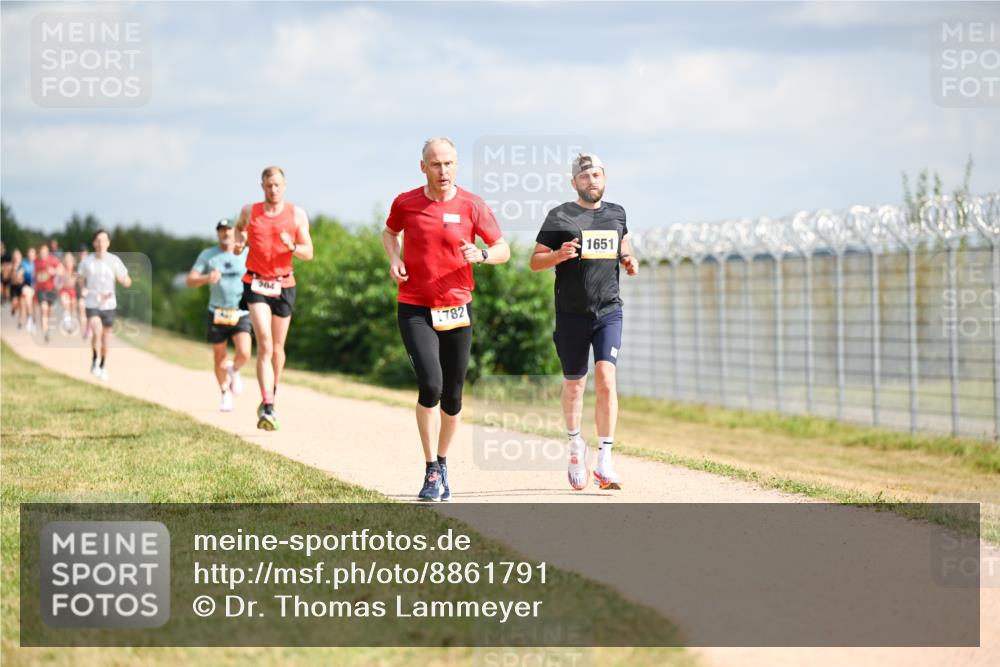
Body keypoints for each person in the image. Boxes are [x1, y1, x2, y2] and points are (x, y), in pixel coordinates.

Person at [382, 137, 510, 502]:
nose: (443, 170)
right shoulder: (406, 203)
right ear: (423, 166)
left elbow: (503, 249)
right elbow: (389, 233)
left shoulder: (472, 205)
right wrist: (394, 259)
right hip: (415, 306)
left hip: (456, 308)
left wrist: (481, 254)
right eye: (436, 164)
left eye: (449, 163)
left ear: (457, 165)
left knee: (453, 395)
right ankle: (430, 469)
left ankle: (443, 460)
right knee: (432, 386)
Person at [529, 153, 638, 491]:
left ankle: (606, 459)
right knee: (575, 384)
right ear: (574, 182)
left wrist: (630, 260)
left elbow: (624, 246)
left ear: (604, 178)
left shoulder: (617, 213)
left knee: (606, 378)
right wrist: (557, 256)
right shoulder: (560, 215)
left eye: (597, 175)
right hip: (572, 314)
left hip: (608, 310)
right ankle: (576, 445)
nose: (592, 181)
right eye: (586, 176)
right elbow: (534, 261)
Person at [234, 166, 313, 430]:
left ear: (285, 185)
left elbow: (308, 252)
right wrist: (239, 241)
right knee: (265, 344)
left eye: (277, 185)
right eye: (269, 185)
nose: (273, 190)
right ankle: (267, 405)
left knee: (278, 349)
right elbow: (239, 229)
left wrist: (293, 246)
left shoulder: (297, 214)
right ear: (262, 186)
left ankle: (272, 393)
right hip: (255, 282)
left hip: (284, 284)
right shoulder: (250, 211)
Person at [187, 218, 252, 412]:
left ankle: (235, 369)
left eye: (229, 230)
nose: (225, 233)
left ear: (236, 232)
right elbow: (190, 280)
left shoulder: (246, 253)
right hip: (217, 311)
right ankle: (225, 393)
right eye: (221, 230)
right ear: (218, 233)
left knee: (245, 352)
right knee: (219, 355)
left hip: (240, 311)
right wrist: (207, 277)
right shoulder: (208, 255)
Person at [78, 229, 132, 381]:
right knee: (96, 329)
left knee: (105, 339)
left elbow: (126, 279)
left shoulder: (114, 261)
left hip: (109, 304)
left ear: (108, 243)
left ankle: (102, 365)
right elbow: (80, 277)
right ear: (94, 243)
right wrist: (83, 288)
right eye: (98, 240)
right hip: (92, 302)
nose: (101, 243)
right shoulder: (87, 261)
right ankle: (94, 358)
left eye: (104, 240)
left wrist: (125, 281)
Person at [33, 244, 63, 342]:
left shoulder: (53, 260)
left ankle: (48, 327)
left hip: (51, 289)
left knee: (49, 310)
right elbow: (34, 274)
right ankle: (45, 332)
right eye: (41, 251)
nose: (43, 253)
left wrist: (54, 271)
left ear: (47, 252)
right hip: (41, 290)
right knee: (43, 308)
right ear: (39, 252)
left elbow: (61, 269)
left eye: (45, 251)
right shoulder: (36, 261)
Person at [58, 251, 80, 335]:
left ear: (72, 262)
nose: (68, 263)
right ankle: (68, 326)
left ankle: (72, 323)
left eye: (70, 261)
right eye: (66, 261)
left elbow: (73, 282)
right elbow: (63, 282)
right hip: (64, 291)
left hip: (72, 291)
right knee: (66, 305)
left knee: (73, 308)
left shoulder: (75, 272)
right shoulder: (62, 270)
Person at [19, 247, 37, 332]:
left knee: (35, 307)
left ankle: (33, 321)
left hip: (37, 288)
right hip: (27, 286)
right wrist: (20, 276)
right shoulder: (23, 263)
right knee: (28, 301)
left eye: (33, 253)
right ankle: (29, 319)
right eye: (30, 253)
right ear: (27, 254)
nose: (31, 255)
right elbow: (19, 273)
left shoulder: (38, 263)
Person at [8, 249, 24, 324]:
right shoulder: (11, 265)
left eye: (18, 255)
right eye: (15, 255)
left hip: (21, 287)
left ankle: (20, 320)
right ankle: (13, 309)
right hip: (13, 287)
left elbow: (22, 278)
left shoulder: (23, 265)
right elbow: (11, 277)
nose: (16, 256)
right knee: (15, 302)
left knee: (21, 304)